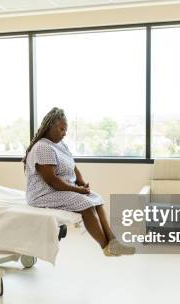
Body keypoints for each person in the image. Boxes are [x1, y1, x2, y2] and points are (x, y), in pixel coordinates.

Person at [23, 107, 135, 256]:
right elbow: (51, 180)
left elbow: (72, 166)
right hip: (43, 194)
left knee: (96, 199)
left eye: (66, 130)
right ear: (51, 126)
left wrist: (81, 183)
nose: (64, 134)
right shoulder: (42, 147)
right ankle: (105, 247)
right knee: (86, 204)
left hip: (59, 189)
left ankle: (114, 241)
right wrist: (77, 190)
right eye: (62, 129)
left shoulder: (60, 145)